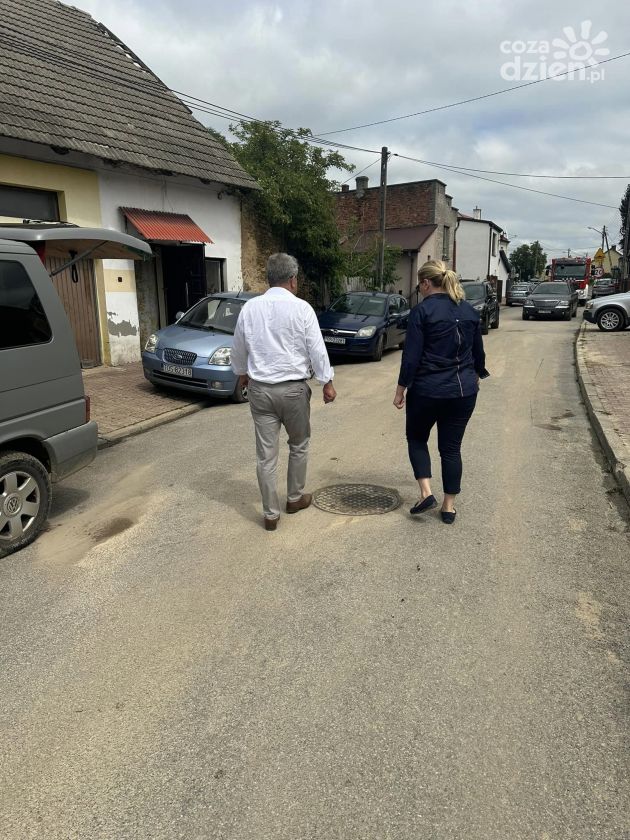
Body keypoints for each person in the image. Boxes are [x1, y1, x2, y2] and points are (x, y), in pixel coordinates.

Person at [231, 253, 337, 531]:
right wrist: (326, 382)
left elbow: (239, 348)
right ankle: (294, 498)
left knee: (266, 455)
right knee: (298, 444)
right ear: (292, 279)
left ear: (269, 279)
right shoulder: (302, 309)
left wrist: (242, 374)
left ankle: (270, 514)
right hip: (293, 391)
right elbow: (316, 348)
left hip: (260, 390)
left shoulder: (250, 309)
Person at [393, 259, 489, 524]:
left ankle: (426, 493)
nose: (419, 289)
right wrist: (476, 375)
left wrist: (400, 390)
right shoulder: (468, 310)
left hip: (427, 390)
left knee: (416, 438)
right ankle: (448, 507)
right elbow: (478, 353)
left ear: (426, 283)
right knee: (451, 448)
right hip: (463, 391)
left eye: (419, 285)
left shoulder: (421, 312)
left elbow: (411, 358)